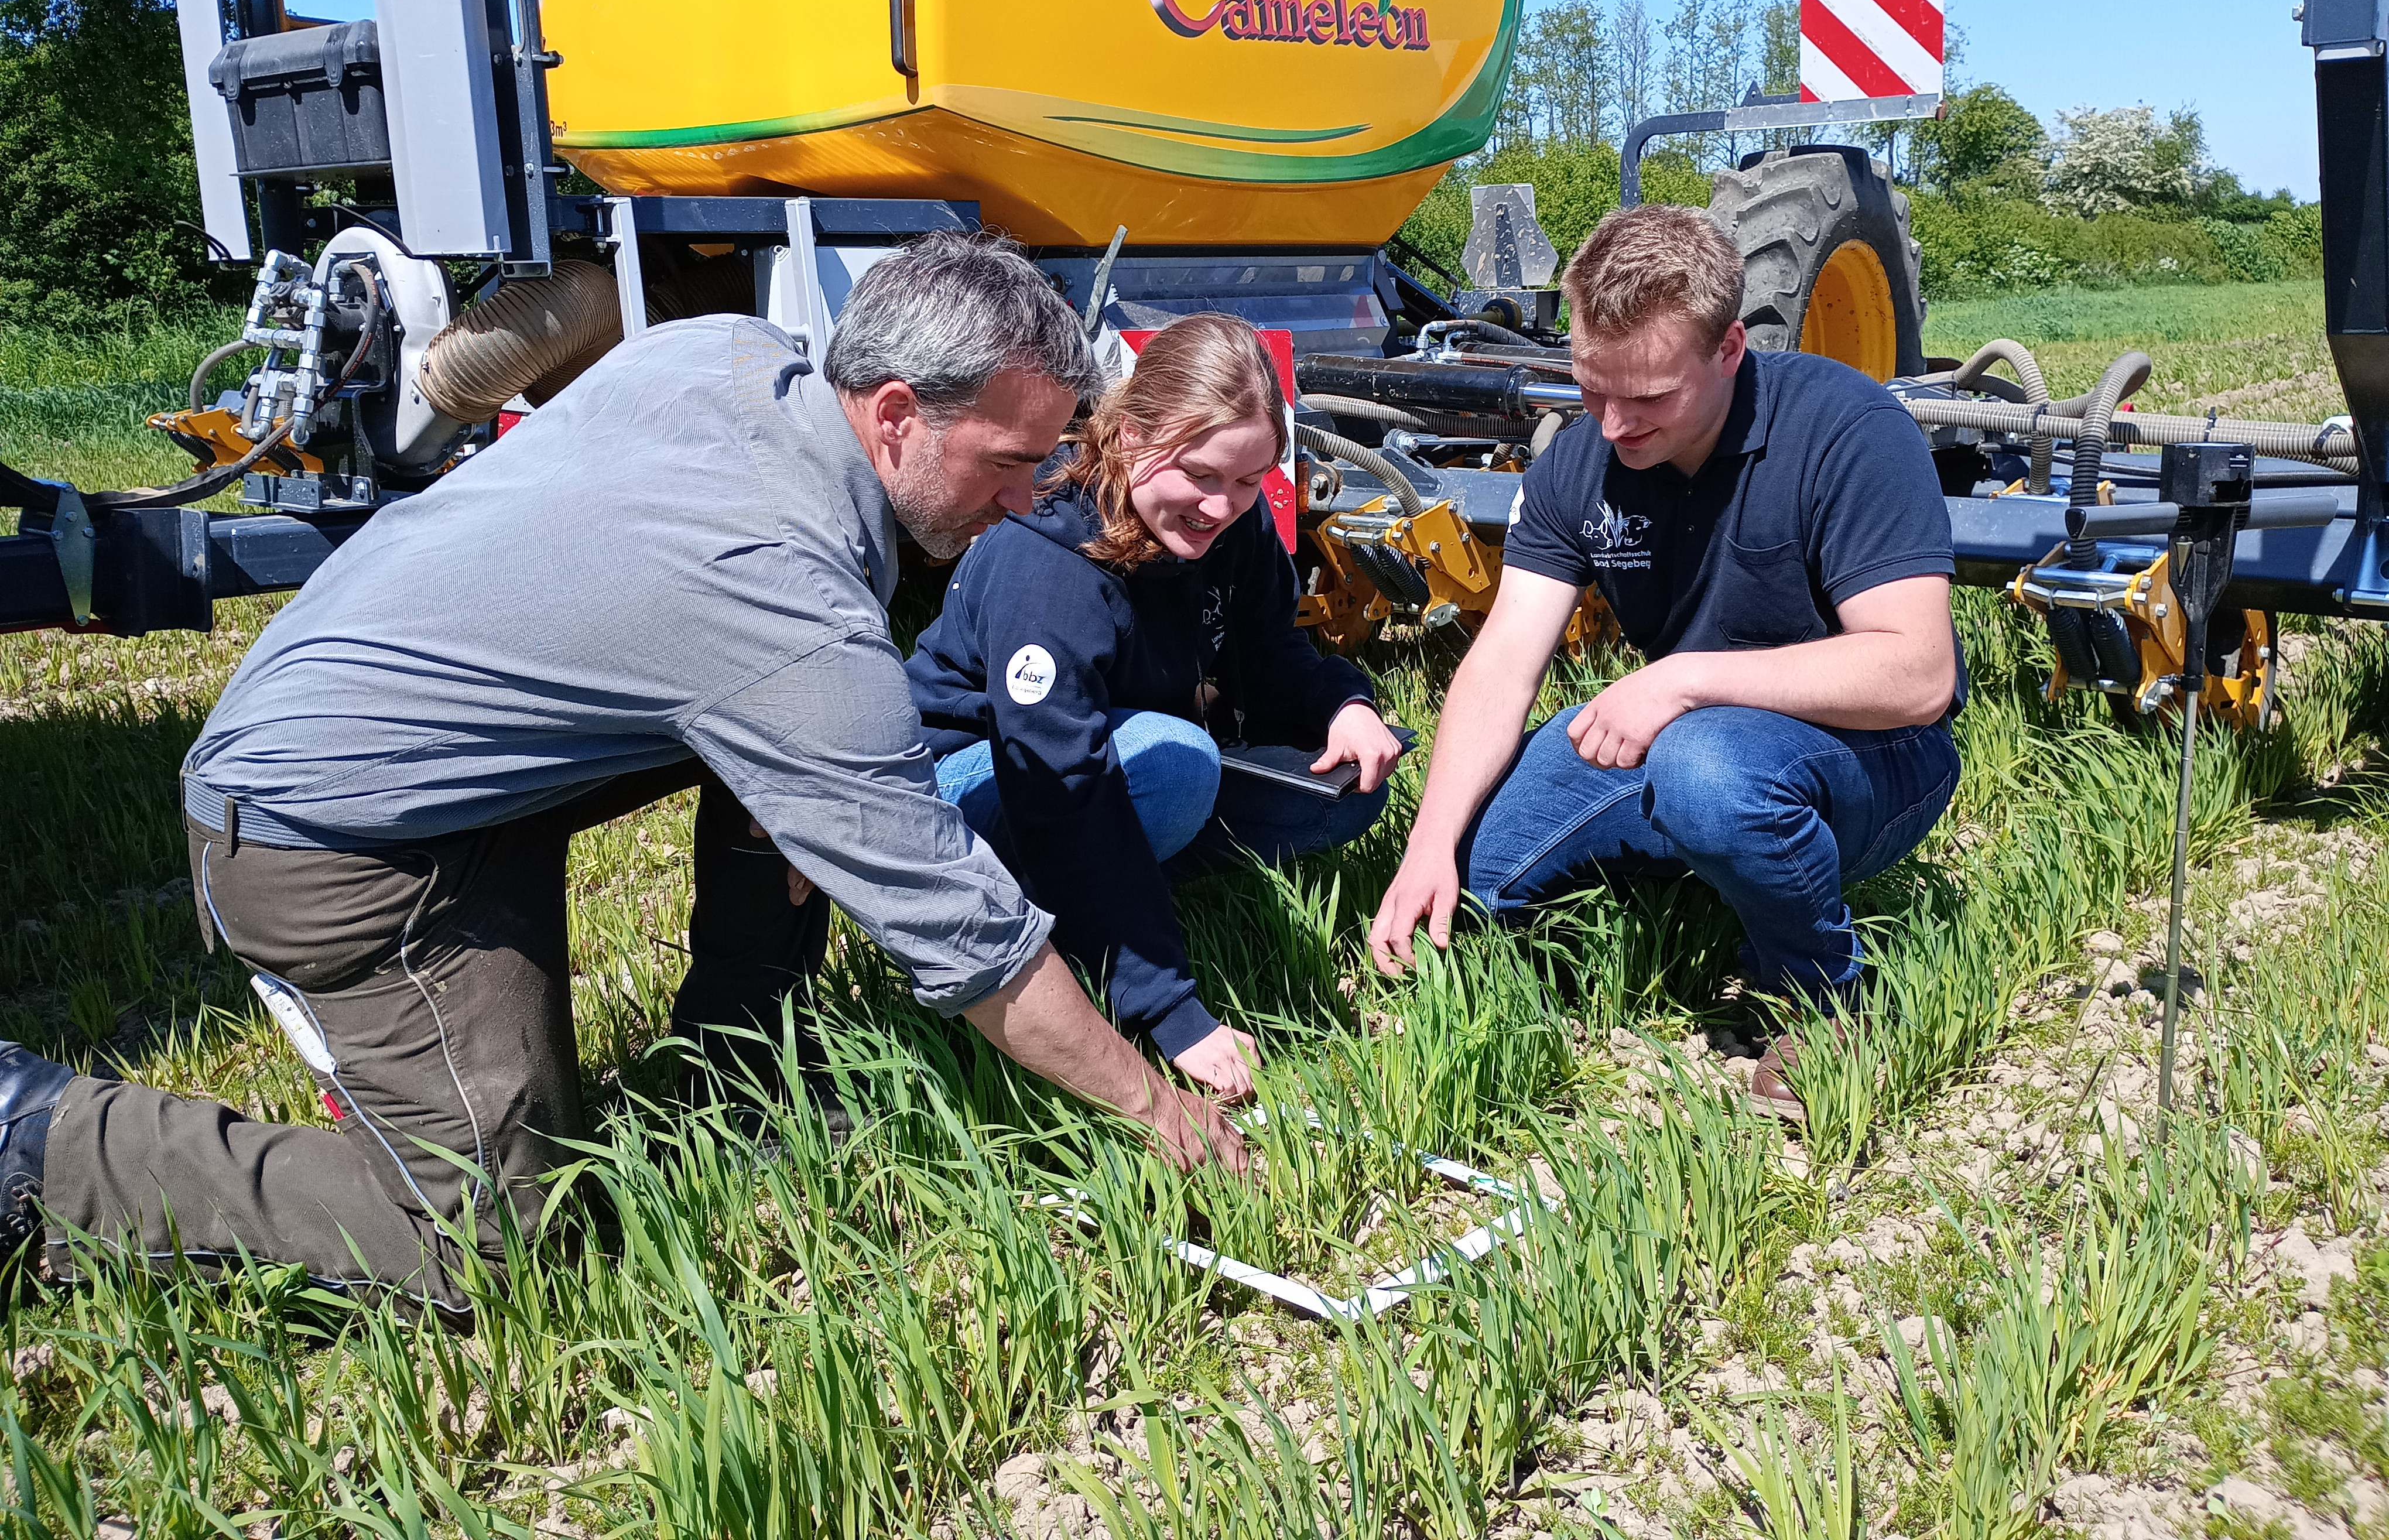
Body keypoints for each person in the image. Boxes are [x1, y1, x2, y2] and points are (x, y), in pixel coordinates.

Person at [0, 232, 1248, 1311]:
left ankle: (733, 1076)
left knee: (788, 769)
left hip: (446, 767)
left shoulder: (725, 356)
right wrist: (1161, 1114)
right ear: (895, 414)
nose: (1030, 497)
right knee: (482, 1241)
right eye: (1012, 461)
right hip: (323, 839)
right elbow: (962, 934)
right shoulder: (779, 598)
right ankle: (38, 1139)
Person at [1367, 204, 1963, 1121]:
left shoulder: (1847, 429)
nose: (1612, 424)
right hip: (1689, 740)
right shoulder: (1581, 464)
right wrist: (1427, 847)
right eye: (1591, 389)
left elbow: (1917, 677)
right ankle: (1685, 887)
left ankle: (1823, 997)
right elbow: (1502, 665)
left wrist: (1680, 680)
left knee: (1706, 771)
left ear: (1729, 349)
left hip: (1872, 754)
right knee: (1476, 878)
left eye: (1647, 398)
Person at [907, 313, 1404, 1101]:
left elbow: (1271, 654)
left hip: (1121, 753)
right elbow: (1060, 783)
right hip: (968, 791)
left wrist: (1343, 705)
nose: (1223, 505)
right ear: (1132, 436)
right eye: (1201, 474)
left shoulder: (1228, 525)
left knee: (1343, 793)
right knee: (1174, 768)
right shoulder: (1048, 561)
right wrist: (1170, 1011)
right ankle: (1076, 932)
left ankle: (1112, 896)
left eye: (1250, 481)